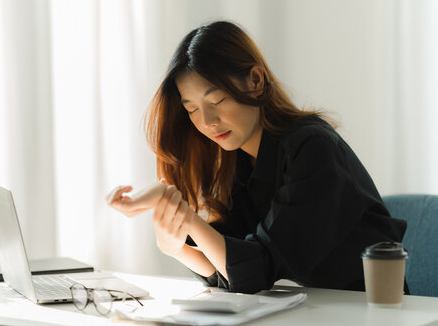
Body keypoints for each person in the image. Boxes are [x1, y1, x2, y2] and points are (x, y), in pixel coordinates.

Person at [105, 21, 407, 294]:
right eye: (192, 109)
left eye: (217, 100)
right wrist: (175, 246)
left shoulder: (313, 149)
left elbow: (255, 270)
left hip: (372, 325)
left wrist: (185, 216)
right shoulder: (242, 161)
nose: (207, 121)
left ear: (256, 80)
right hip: (313, 322)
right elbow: (229, 267)